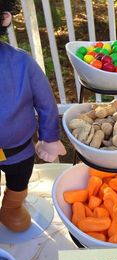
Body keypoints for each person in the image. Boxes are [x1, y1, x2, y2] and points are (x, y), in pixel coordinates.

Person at [0, 0, 66, 232]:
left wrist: (49, 137)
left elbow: (45, 101)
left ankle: (11, 206)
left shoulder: (22, 62)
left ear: (4, 18)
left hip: (17, 149)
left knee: (19, 179)